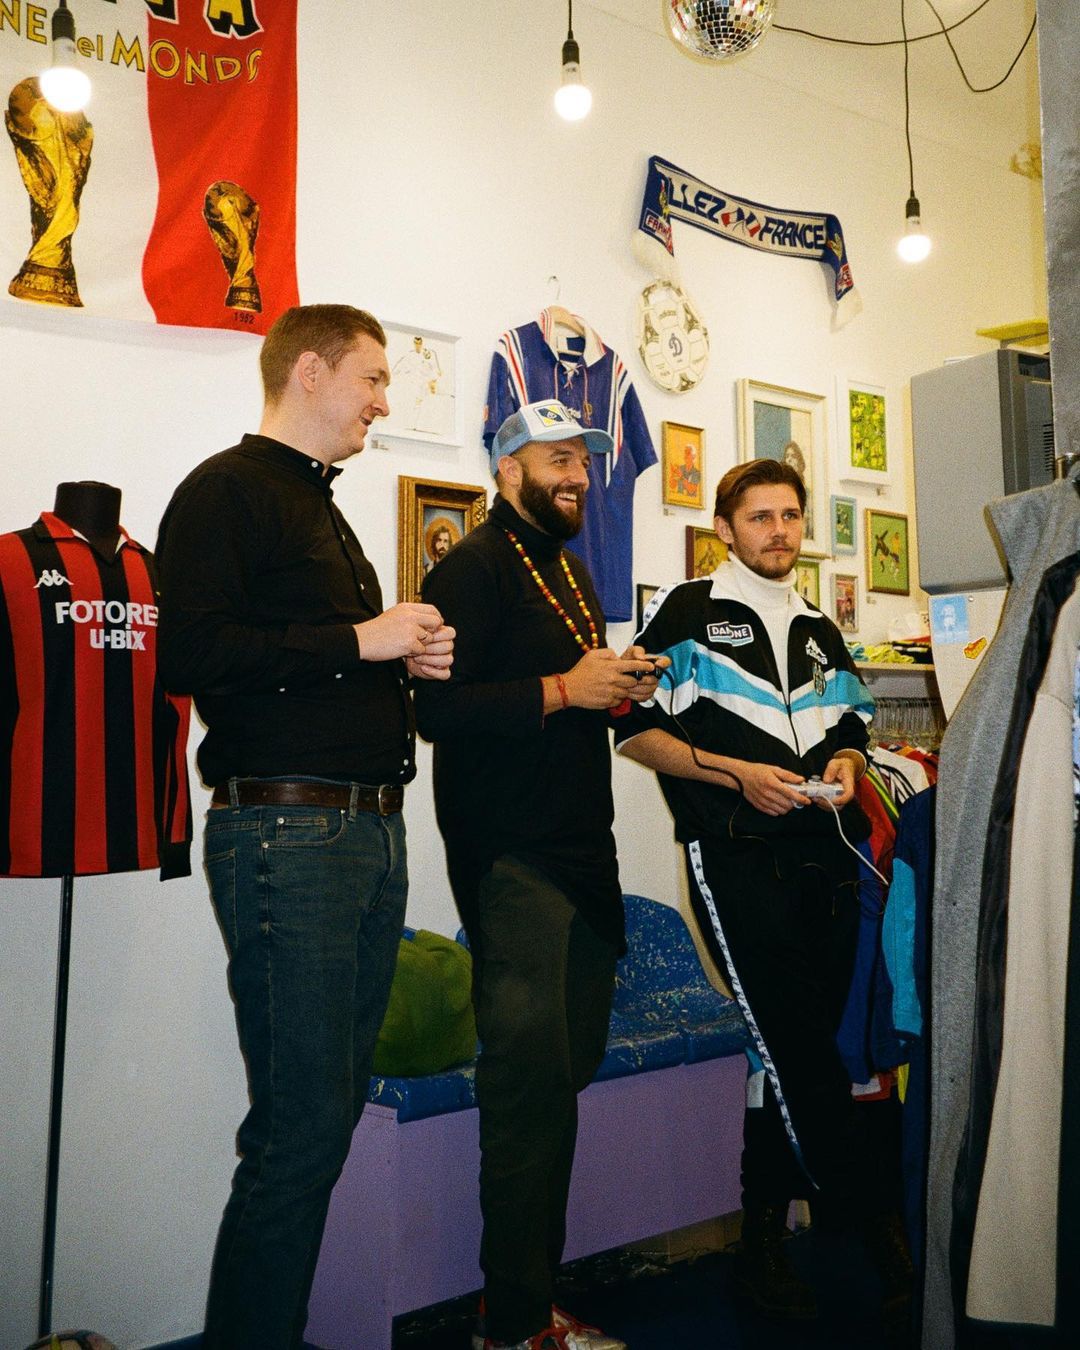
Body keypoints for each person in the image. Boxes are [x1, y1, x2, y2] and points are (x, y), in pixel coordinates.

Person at [154, 303, 454, 1350]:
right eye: (373, 378)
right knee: (300, 1134)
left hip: (359, 835)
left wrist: (400, 659)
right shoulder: (226, 490)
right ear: (311, 372)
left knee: (320, 1123)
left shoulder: (321, 506)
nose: (383, 401)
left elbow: (307, 660)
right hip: (291, 838)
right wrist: (360, 642)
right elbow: (192, 654)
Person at [615, 458, 912, 1322]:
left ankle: (760, 1245)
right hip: (738, 854)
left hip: (829, 858)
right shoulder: (687, 612)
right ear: (725, 529)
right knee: (797, 1046)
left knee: (793, 1050)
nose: (778, 532)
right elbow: (632, 731)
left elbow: (852, 724)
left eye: (789, 516)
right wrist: (736, 775)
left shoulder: (818, 625)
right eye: (759, 517)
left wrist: (850, 761)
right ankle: (876, 1225)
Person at [414, 399, 662, 1350]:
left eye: (583, 461)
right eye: (557, 459)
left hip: (584, 853)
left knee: (567, 1074)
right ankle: (515, 1325)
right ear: (507, 468)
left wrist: (617, 684)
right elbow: (437, 714)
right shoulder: (469, 568)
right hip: (511, 858)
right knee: (528, 1094)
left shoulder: (568, 564)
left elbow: (570, 697)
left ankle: (524, 1304)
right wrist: (566, 688)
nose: (577, 476)